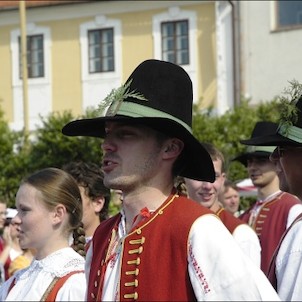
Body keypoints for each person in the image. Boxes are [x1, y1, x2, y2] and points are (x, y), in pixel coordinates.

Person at [62, 59, 280, 301]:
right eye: (108, 134)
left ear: (170, 148)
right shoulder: (103, 236)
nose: (107, 145)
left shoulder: (198, 229)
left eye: (125, 134)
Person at [236, 82, 302, 300]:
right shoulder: (247, 214)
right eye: (250, 161)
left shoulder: (294, 218)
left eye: (281, 150)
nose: (274, 159)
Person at [0, 167, 87, 301]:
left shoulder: (76, 283)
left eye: (25, 210)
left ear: (57, 214)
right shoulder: (16, 282)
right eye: (18, 210)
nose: (16, 219)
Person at [233, 120, 302, 275]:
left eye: (260, 160)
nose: (253, 167)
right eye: (249, 161)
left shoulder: (292, 208)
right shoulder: (246, 214)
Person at [184, 142, 261, 267]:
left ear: (222, 179)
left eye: (214, 176)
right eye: (199, 175)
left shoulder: (240, 234)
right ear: (184, 177)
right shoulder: (175, 224)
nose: (208, 186)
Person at [63, 161, 111, 250]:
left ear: (98, 203)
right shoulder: (57, 246)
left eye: (74, 199)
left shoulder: (111, 247)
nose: (65, 205)